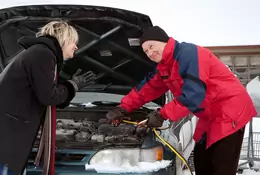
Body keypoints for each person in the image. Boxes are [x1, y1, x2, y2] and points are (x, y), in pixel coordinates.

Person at [106, 26, 257, 175]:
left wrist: (161, 115)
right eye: (146, 51)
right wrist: (122, 108)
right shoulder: (165, 67)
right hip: (208, 113)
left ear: (164, 41)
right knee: (202, 162)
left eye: (152, 46)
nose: (150, 53)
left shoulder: (189, 54)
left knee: (221, 166)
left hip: (230, 110)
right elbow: (147, 88)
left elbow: (193, 94)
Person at [0, 21, 96, 175]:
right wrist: (73, 85)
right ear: (64, 39)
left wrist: (70, 85)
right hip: (7, 135)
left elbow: (45, 91)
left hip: (9, 131)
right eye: (74, 42)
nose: (76, 47)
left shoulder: (39, 52)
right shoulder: (43, 54)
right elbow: (49, 96)